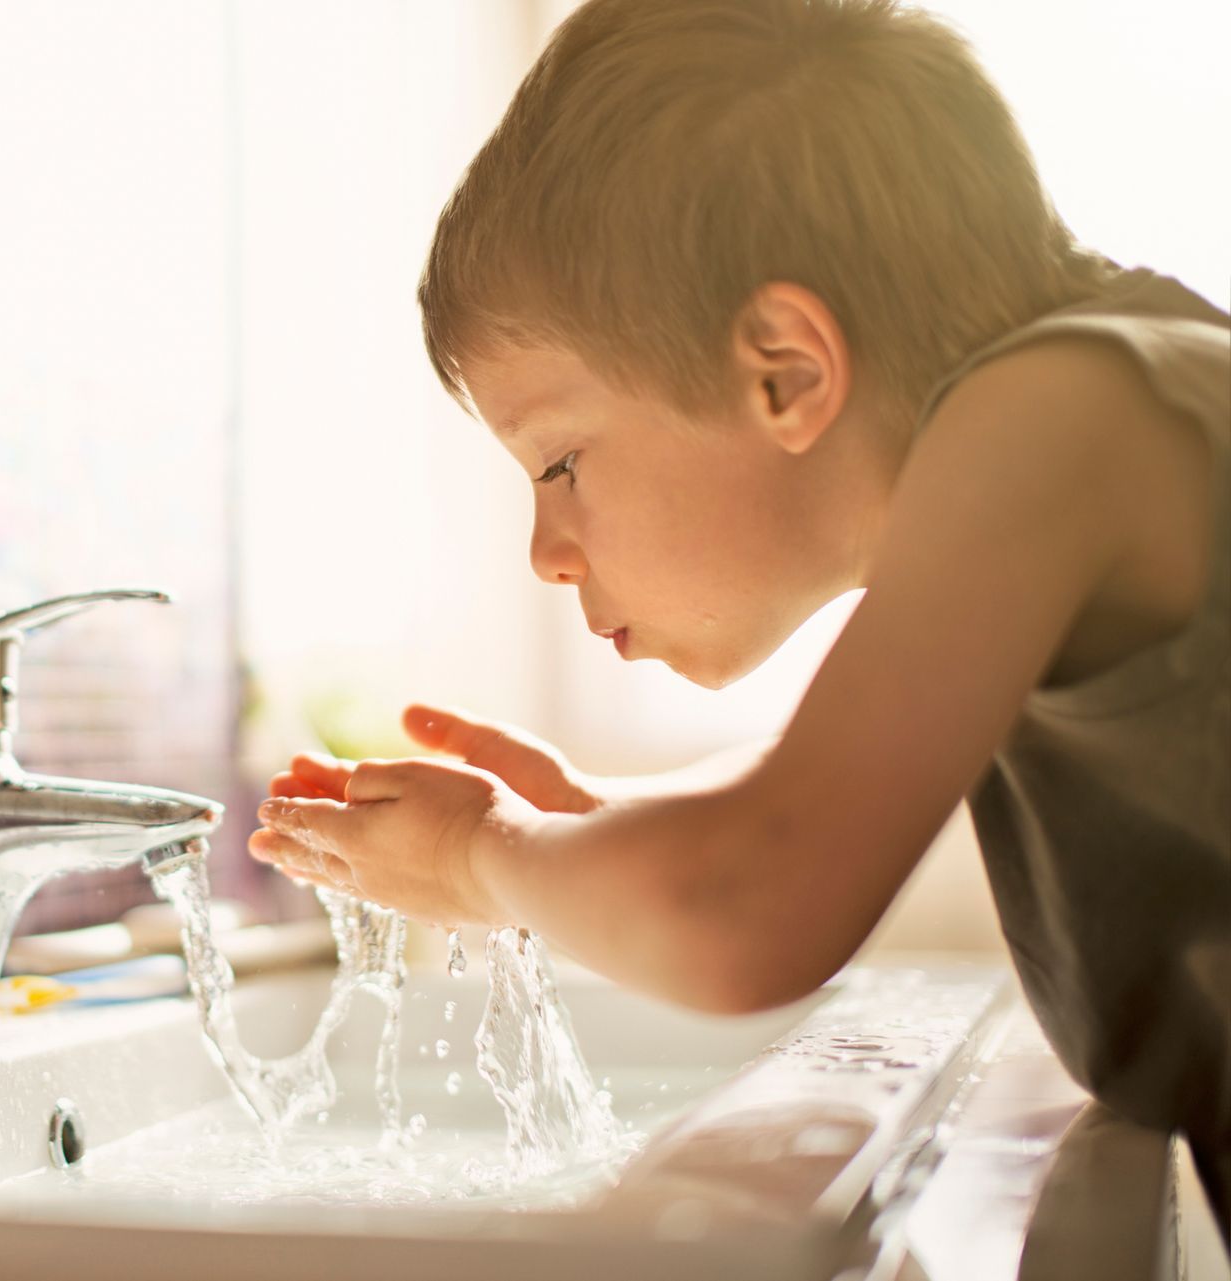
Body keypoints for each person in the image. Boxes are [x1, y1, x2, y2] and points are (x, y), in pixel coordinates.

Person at [246, 0, 1229, 1234]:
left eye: (558, 465)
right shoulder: (1096, 389)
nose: (545, 554)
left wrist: (477, 858)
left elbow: (756, 902)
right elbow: (804, 791)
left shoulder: (1059, 415)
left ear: (787, 371)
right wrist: (593, 828)